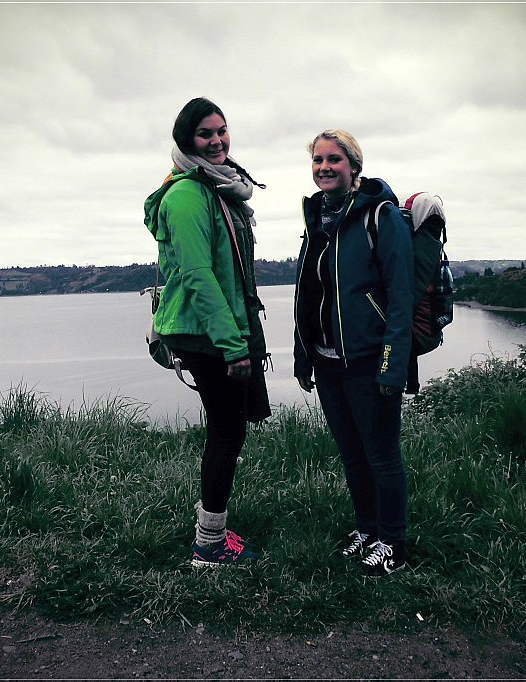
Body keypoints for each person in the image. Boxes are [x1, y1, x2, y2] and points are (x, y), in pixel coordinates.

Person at [143, 97, 270, 567]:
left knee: (227, 430)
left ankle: (211, 532)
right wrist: (233, 345)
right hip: (207, 334)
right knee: (226, 433)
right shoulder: (187, 195)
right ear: (186, 140)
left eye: (221, 130)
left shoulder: (216, 187)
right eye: (205, 134)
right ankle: (209, 544)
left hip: (218, 327)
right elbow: (198, 275)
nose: (217, 141)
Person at [293, 129, 413, 576]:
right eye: (318, 160)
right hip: (328, 362)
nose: (324, 167)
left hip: (368, 360)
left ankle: (393, 543)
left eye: (334, 159)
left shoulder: (380, 216)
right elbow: (307, 294)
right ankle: (368, 529)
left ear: (354, 166)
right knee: (352, 454)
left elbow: (401, 298)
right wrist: (303, 357)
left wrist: (392, 365)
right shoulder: (316, 219)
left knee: (382, 456)